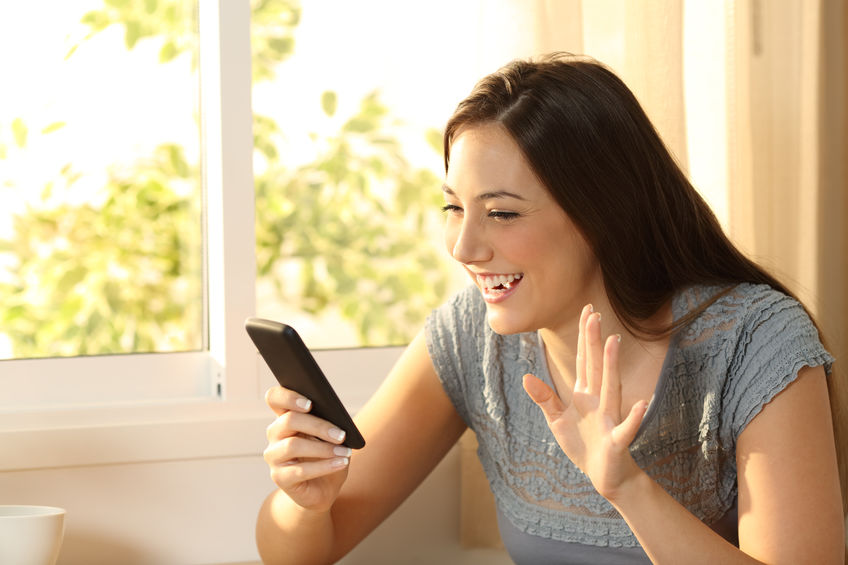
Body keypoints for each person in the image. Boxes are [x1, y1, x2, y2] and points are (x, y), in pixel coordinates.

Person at [256, 53, 846, 564]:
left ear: (601, 214)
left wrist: (627, 487)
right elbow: (308, 549)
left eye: (502, 213)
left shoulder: (756, 342)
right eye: (454, 208)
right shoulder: (473, 338)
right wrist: (305, 501)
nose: (464, 248)